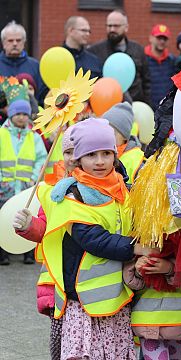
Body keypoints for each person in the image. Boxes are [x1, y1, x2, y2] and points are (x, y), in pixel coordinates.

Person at [40, 117, 151, 359]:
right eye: (91, 155)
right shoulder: (72, 195)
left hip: (117, 300)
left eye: (106, 153)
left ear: (115, 155)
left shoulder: (124, 190)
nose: (100, 161)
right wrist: (135, 247)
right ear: (78, 159)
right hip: (82, 302)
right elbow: (92, 238)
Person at [12, 126, 77, 360]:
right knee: (60, 346)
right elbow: (43, 228)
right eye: (67, 152)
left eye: (78, 151)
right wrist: (28, 225)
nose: (73, 158)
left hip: (90, 284)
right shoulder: (53, 192)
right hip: (58, 280)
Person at [0, 97, 47, 265]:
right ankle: (3, 253)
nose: (21, 117)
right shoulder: (2, 133)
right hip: (5, 187)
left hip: (26, 187)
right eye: (17, 113)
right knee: (3, 217)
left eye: (24, 114)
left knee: (26, 217)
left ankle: (28, 252)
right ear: (10, 114)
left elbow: (41, 159)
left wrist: (34, 178)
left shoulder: (34, 136)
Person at [88, 9, 151, 105]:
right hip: (106, 107)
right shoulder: (95, 51)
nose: (112, 29)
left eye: (116, 26)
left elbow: (146, 82)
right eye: (109, 26)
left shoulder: (138, 50)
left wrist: (147, 105)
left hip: (135, 106)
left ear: (126, 27)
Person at [0, 21, 45, 103]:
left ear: (24, 42)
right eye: (10, 40)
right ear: (3, 43)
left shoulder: (35, 66)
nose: (14, 44)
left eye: (18, 40)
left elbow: (42, 97)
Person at [101, 102, 144, 185]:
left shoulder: (137, 161)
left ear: (124, 136)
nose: (106, 136)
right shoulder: (96, 152)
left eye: (112, 133)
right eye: (103, 131)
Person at [145, 24, 176, 109]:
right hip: (149, 109)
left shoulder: (172, 60)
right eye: (159, 38)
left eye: (165, 38)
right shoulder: (143, 59)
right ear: (151, 38)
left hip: (166, 110)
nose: (162, 41)